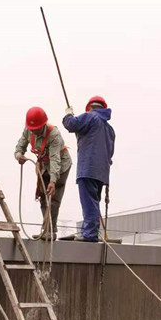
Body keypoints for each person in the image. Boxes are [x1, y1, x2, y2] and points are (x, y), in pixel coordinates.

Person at [62, 96, 115, 242]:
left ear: (90, 107)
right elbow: (110, 153)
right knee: (93, 201)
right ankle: (91, 231)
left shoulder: (90, 117)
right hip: (101, 172)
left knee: (88, 202)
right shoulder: (109, 130)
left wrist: (68, 114)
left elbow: (71, 125)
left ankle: (90, 234)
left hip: (88, 168)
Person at [14, 107, 72, 241]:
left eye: (37, 129)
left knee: (53, 198)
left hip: (61, 166)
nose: (34, 131)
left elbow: (56, 160)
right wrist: (19, 155)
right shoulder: (28, 130)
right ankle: (46, 229)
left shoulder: (53, 134)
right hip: (43, 165)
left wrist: (53, 181)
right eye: (32, 129)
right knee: (42, 197)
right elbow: (20, 146)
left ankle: (50, 231)